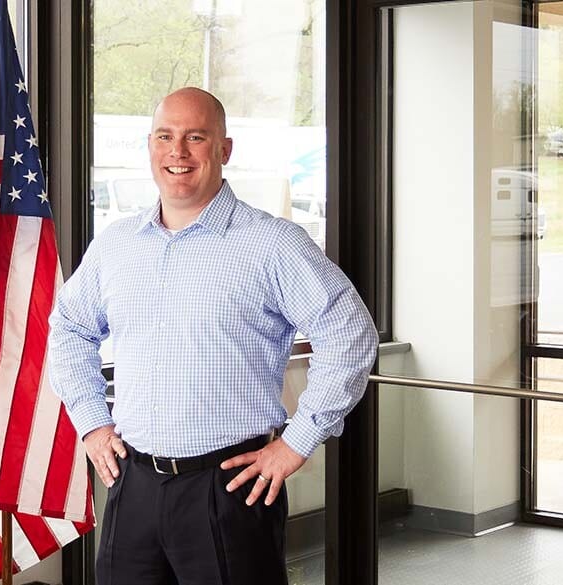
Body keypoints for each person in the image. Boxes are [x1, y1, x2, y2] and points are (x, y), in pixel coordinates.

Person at [48, 87, 378, 585]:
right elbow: (69, 328)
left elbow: (350, 335)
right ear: (151, 147)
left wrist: (297, 442)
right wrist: (92, 423)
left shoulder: (272, 244)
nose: (177, 152)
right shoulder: (116, 243)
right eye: (165, 136)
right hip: (131, 486)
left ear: (224, 149)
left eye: (195, 137)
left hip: (229, 491)